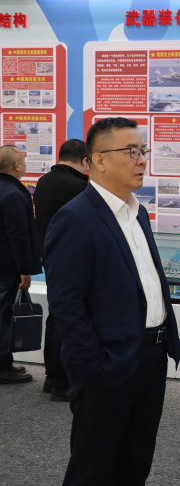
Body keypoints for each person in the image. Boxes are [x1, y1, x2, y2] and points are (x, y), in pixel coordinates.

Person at [46, 117, 180, 486]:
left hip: (150, 358)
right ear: (99, 160)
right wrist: (95, 366)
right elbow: (67, 305)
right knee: (93, 474)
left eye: (143, 151)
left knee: (134, 468)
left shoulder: (137, 213)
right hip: (108, 365)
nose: (142, 159)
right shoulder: (75, 217)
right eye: (132, 151)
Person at [33, 139, 90, 401]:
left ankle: (52, 377)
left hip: (51, 256)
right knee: (67, 319)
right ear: (85, 160)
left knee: (55, 317)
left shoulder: (44, 181)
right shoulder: (78, 187)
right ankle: (61, 382)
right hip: (71, 259)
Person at [0, 145, 41, 384]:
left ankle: (5, 362)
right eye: (23, 161)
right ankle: (2, 367)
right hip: (7, 267)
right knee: (5, 317)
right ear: (17, 166)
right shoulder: (14, 194)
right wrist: (25, 270)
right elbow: (18, 235)